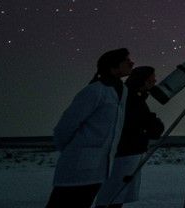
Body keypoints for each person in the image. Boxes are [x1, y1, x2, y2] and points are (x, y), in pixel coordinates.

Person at [48, 48, 134, 208]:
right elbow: (65, 127)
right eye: (126, 60)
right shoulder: (94, 91)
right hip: (77, 167)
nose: (132, 63)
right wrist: (72, 151)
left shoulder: (122, 91)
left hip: (98, 169)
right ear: (113, 66)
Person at [94, 66, 165, 207]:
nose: (155, 81)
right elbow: (151, 128)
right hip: (125, 154)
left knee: (115, 196)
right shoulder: (132, 98)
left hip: (126, 153)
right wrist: (153, 121)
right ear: (143, 80)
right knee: (113, 197)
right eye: (152, 79)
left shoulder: (130, 95)